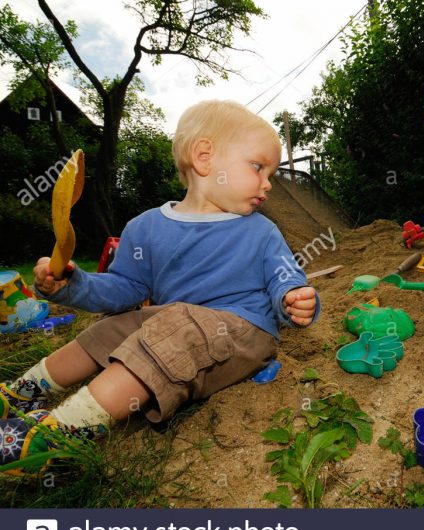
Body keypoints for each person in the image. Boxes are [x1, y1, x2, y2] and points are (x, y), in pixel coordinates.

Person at [0, 100, 319, 471]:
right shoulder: (146, 227)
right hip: (172, 325)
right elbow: (125, 287)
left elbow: (285, 276)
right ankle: (22, 391)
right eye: (258, 167)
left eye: (270, 173)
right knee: (112, 327)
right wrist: (71, 284)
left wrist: (293, 298)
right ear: (204, 157)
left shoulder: (261, 231)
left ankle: (62, 433)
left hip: (243, 334)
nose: (268, 183)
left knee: (176, 325)